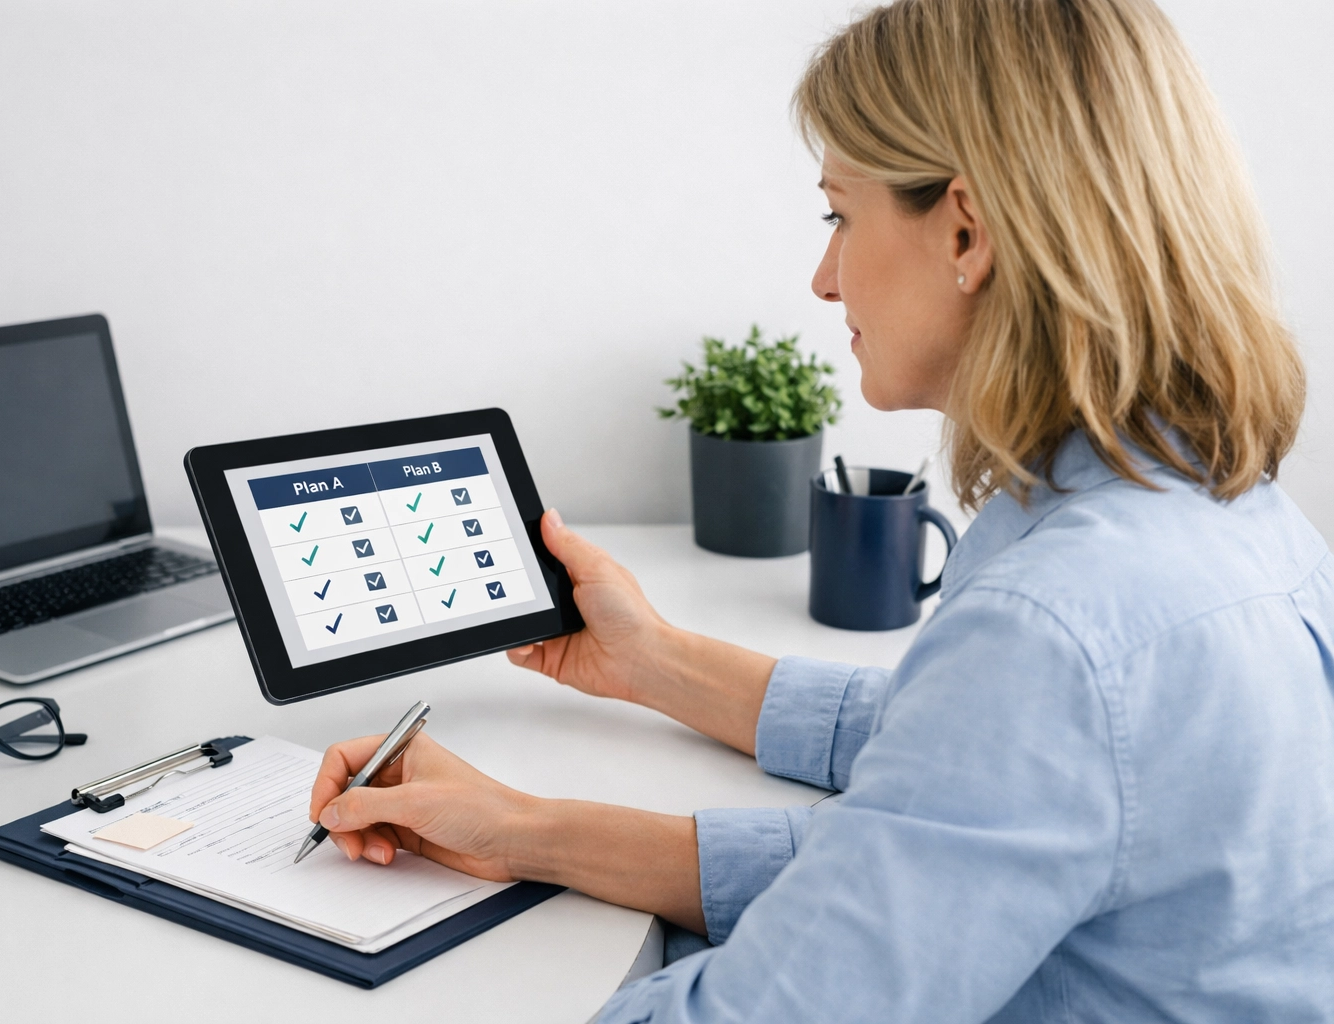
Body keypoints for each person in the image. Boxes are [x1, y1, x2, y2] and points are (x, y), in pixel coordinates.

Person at [308, 0, 1334, 1018]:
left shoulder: (1056, 627)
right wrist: (558, 786)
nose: (823, 275)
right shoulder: (1212, 513)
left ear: (966, 231)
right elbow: (932, 817)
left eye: (839, 214)